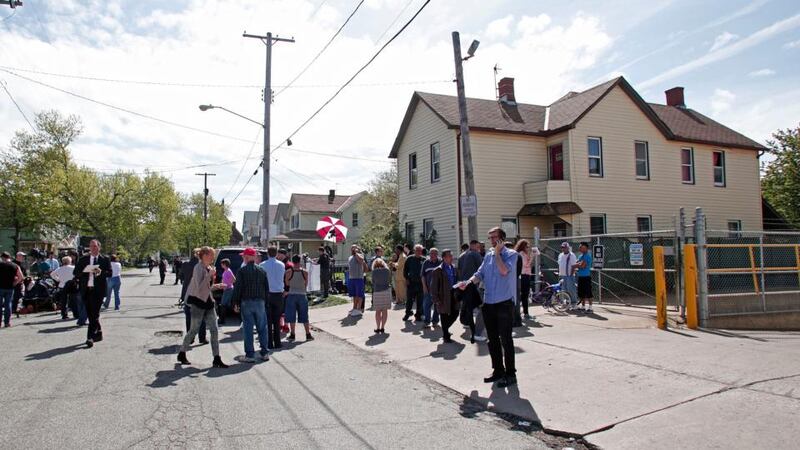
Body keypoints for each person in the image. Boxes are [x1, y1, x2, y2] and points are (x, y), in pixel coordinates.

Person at [458, 227, 519, 388]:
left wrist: (498, 253)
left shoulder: (512, 255)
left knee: (506, 339)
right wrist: (468, 282)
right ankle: (498, 370)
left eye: (494, 238)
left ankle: (510, 373)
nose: (491, 240)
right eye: (490, 237)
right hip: (489, 302)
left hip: (504, 303)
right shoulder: (488, 256)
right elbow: (479, 274)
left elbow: (504, 271)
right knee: (492, 340)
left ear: (502, 239)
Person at [177, 246, 228, 368]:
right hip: (198, 303)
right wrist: (209, 275)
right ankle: (182, 353)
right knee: (193, 330)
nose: (213, 257)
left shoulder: (208, 267)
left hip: (208, 302)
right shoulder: (198, 268)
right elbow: (199, 288)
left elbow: (207, 287)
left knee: (214, 330)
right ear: (204, 256)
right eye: (211, 255)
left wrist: (217, 286)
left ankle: (216, 358)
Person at [229, 248, 269, 363]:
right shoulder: (262, 271)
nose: (243, 258)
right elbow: (266, 288)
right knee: (262, 328)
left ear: (247, 257)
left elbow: (238, 288)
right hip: (260, 302)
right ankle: (264, 352)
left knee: (248, 329)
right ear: (254, 257)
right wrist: (266, 302)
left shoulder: (242, 271)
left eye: (243, 256)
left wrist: (235, 302)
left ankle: (250, 355)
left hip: (246, 302)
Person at [73, 239, 113, 348]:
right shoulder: (83, 259)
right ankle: (98, 333)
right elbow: (75, 273)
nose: (93, 248)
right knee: (91, 314)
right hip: (86, 289)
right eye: (91, 246)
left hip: (98, 291)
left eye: (95, 246)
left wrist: (101, 272)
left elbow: (109, 273)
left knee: (94, 314)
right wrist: (85, 271)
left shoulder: (104, 259)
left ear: (99, 247)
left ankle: (90, 337)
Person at [457, 240, 486, 343]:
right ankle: (474, 328)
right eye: (479, 245)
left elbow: (459, 270)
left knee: (466, 304)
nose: (480, 247)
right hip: (474, 283)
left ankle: (465, 321)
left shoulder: (461, 256)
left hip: (464, 282)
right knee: (477, 305)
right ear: (475, 245)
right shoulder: (476, 254)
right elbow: (482, 269)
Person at [431, 249, 460, 343]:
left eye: (452, 255)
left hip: (453, 294)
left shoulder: (454, 268)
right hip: (442, 295)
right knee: (444, 315)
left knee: (455, 313)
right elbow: (434, 286)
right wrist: (436, 299)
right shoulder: (438, 270)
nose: (452, 257)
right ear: (444, 258)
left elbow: (457, 280)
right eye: (449, 256)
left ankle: (445, 329)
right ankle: (446, 335)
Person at [260, 246, 286, 349]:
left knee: (268, 320)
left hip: (267, 294)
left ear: (267, 253)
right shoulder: (282, 265)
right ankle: (278, 342)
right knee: (277, 319)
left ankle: (269, 343)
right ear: (276, 254)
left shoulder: (262, 265)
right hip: (278, 294)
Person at [284, 255, 314, 342]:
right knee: (304, 315)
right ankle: (308, 334)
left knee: (291, 316)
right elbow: (306, 284)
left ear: (292, 261)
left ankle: (292, 334)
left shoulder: (288, 272)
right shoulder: (305, 272)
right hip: (302, 295)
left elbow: (287, 283)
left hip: (291, 295)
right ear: (300, 261)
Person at [181, 249, 206, 344]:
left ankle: (190, 338)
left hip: (187, 294)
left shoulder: (185, 264)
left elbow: (181, 277)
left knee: (189, 318)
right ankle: (202, 338)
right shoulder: (203, 266)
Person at [0, 252, 23, 328]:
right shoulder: (15, 266)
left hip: (0, 287)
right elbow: (21, 277)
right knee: (8, 304)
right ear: (9, 257)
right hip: (10, 287)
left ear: (2, 257)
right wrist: (15, 283)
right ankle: (7, 323)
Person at [402, 244, 425, 322]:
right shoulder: (409, 259)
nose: (418, 252)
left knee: (420, 300)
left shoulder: (424, 260)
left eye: (420, 250)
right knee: (409, 300)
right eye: (417, 250)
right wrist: (406, 279)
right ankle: (408, 313)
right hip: (411, 282)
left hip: (421, 283)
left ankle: (418, 315)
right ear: (414, 251)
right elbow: (405, 270)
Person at [50, 255, 77, 320]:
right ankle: (76, 314)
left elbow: (52, 274)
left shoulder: (59, 269)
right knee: (73, 301)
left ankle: (64, 315)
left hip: (62, 285)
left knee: (63, 301)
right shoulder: (73, 267)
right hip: (71, 285)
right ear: (70, 261)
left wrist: (58, 279)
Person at [515, 240, 536, 320]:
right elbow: (526, 265)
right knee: (524, 295)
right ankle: (525, 313)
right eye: (527, 247)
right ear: (523, 246)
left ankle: (525, 312)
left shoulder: (524, 254)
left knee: (524, 295)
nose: (528, 248)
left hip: (526, 275)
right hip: (523, 276)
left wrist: (531, 255)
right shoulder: (521, 254)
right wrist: (532, 257)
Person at [371, 258, 392, 333]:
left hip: (377, 292)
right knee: (385, 311)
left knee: (378, 311)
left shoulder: (374, 272)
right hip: (386, 291)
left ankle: (377, 327)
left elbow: (373, 282)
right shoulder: (387, 271)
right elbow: (389, 280)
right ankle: (383, 327)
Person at [421, 248, 441, 327]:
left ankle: (435, 321)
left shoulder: (441, 262)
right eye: (430, 253)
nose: (432, 255)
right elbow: (422, 276)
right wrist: (424, 287)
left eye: (434, 253)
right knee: (426, 305)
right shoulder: (426, 262)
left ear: (437, 254)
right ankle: (427, 321)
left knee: (437, 306)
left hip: (438, 289)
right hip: (428, 289)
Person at [347, 245, 367, 317]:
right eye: (352, 247)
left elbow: (361, 261)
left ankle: (359, 309)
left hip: (359, 278)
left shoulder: (360, 255)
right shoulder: (350, 257)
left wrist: (356, 253)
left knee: (360, 294)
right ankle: (354, 308)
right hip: (351, 278)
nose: (353, 249)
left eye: (354, 247)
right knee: (354, 295)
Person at [573, 242, 594, 313]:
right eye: (580, 247)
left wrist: (577, 265)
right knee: (581, 293)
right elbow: (577, 263)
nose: (580, 248)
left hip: (586, 277)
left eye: (581, 247)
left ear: (586, 248)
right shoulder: (580, 256)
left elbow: (582, 266)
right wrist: (578, 264)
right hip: (580, 277)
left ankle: (590, 308)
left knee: (588, 292)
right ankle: (583, 306)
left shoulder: (587, 256)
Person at [558, 242, 578, 310]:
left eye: (564, 247)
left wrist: (571, 275)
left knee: (571, 290)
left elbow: (574, 266)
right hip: (562, 275)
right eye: (562, 247)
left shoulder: (572, 255)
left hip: (569, 276)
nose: (563, 249)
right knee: (563, 290)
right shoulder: (560, 255)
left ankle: (574, 304)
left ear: (568, 248)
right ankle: (565, 304)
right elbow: (560, 264)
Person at [218, 259, 235, 325]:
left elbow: (234, 280)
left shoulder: (228, 271)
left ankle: (222, 320)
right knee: (224, 304)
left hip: (228, 289)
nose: (221, 265)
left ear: (225, 264)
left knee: (223, 304)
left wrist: (227, 285)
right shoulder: (226, 271)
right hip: (227, 289)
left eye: (222, 264)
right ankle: (222, 319)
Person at [12, 252, 27, 319]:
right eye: (22, 256)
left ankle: (16, 309)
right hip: (14, 283)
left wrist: (26, 277)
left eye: (24, 256)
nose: (23, 258)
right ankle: (13, 309)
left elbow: (24, 274)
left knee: (19, 296)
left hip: (20, 283)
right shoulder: (13, 264)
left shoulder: (22, 265)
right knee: (15, 296)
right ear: (18, 256)